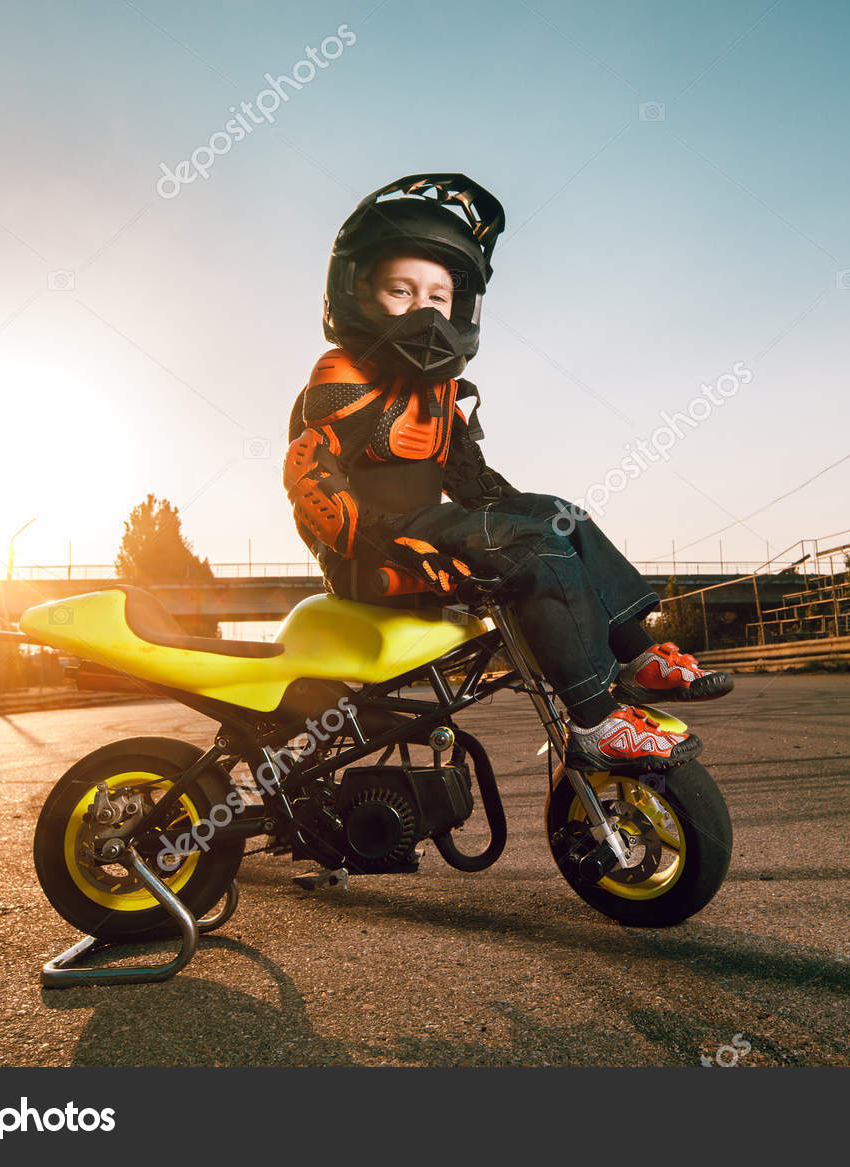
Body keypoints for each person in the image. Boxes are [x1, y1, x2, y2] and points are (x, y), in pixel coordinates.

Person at [283, 174, 732, 771]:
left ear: (461, 306)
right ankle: (596, 723)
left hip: (431, 527)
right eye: (400, 291)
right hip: (377, 550)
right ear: (357, 292)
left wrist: (538, 518)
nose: (423, 310)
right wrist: (383, 547)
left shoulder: (441, 393)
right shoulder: (343, 379)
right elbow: (311, 483)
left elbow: (475, 484)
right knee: (534, 551)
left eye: (438, 297)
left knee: (558, 518)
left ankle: (638, 656)